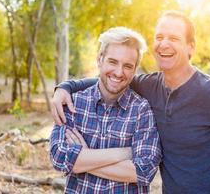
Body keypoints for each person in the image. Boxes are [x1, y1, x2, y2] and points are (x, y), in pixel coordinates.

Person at [52, 11, 210, 194]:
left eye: (174, 38)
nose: (164, 44)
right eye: (159, 37)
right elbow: (113, 78)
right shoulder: (149, 86)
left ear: (191, 47)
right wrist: (66, 87)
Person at [49, 26, 162, 194]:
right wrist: (123, 153)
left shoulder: (141, 110)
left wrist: (84, 157)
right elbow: (59, 157)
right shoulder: (74, 103)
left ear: (135, 69)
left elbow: (143, 171)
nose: (118, 72)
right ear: (99, 60)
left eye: (127, 66)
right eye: (113, 61)